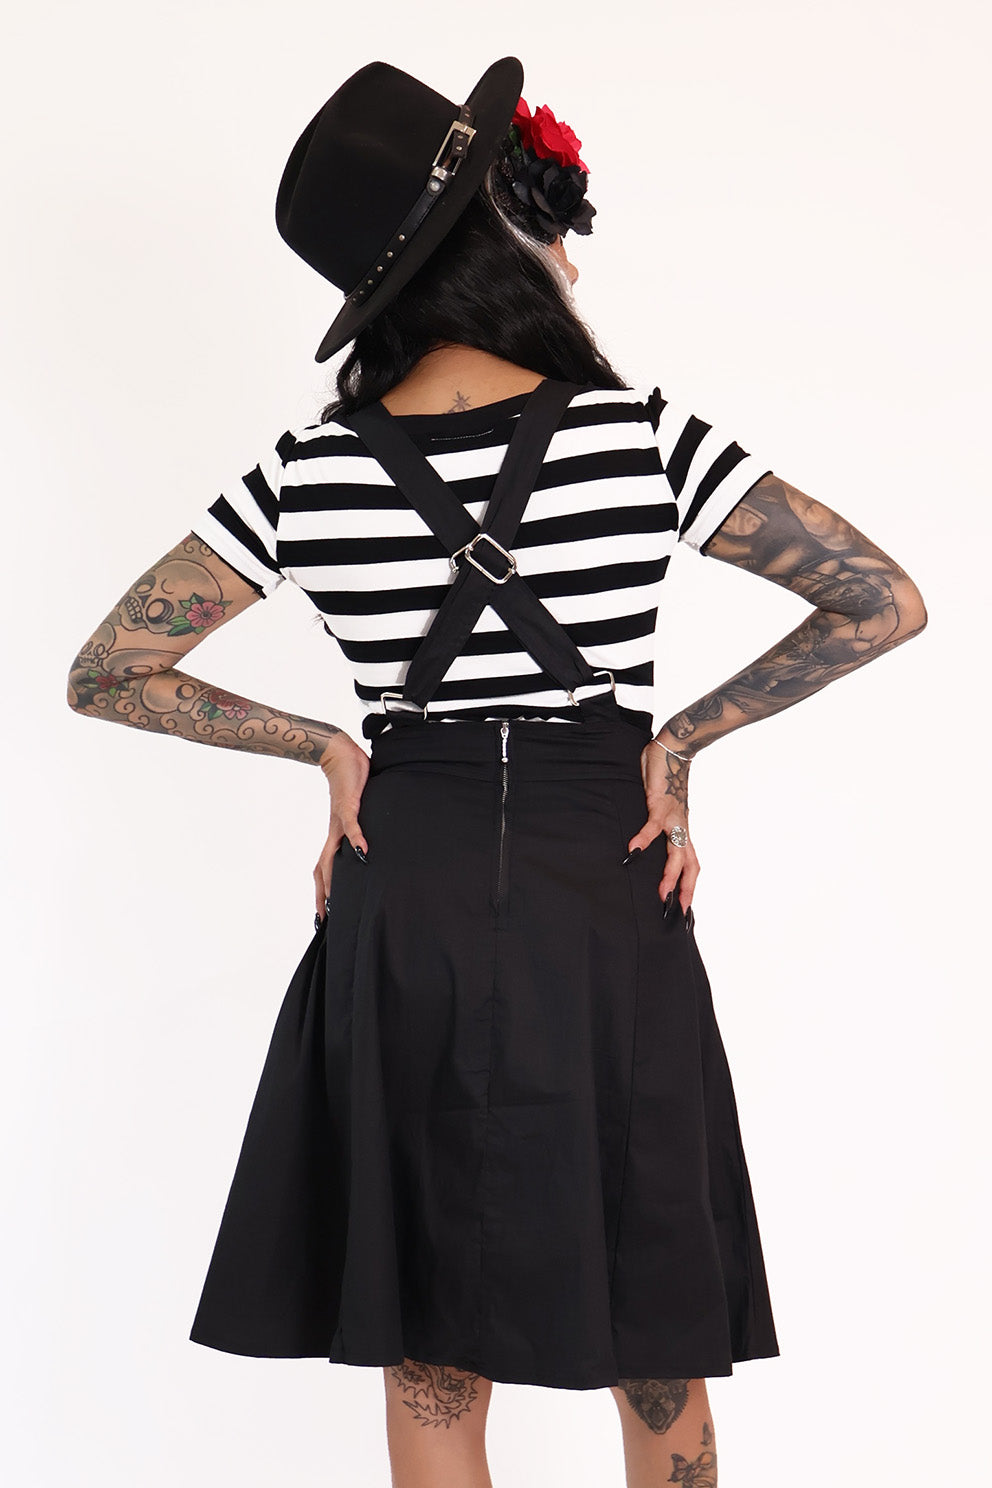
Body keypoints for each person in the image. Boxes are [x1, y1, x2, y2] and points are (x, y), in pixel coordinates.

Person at [67, 56, 927, 1488]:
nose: (568, 257)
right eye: (543, 224)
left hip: (408, 883)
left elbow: (108, 668)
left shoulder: (307, 472)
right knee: (656, 1310)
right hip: (608, 876)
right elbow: (881, 600)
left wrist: (326, 745)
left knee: (430, 1330)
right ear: (488, 242)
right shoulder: (640, 436)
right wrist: (677, 740)